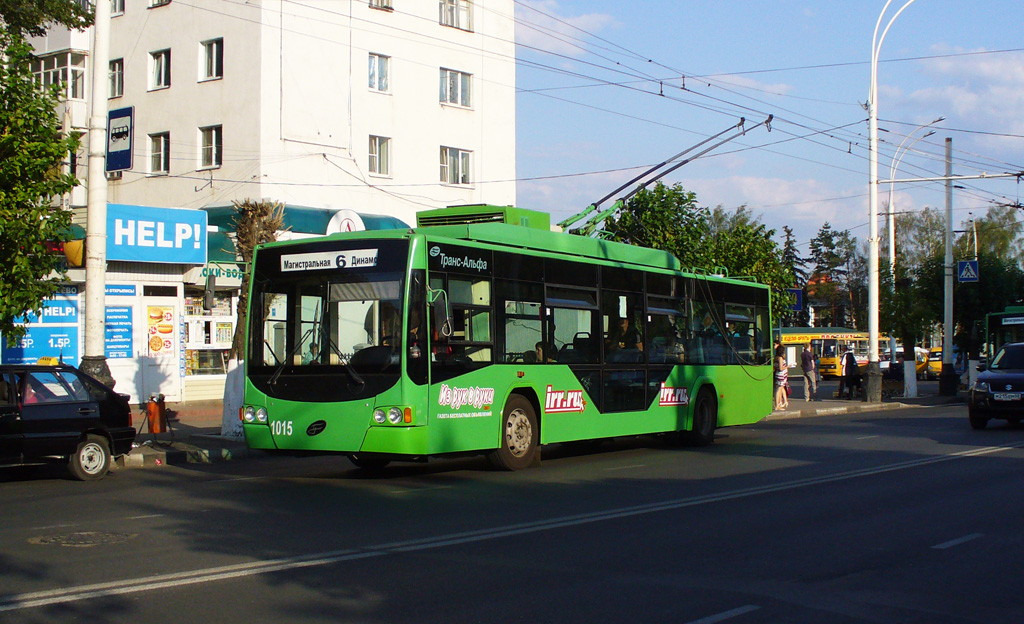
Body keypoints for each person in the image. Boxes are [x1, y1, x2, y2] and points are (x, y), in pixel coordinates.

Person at [773, 344, 789, 410]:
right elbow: (781, 368)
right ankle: (777, 405)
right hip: (781, 375)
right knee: (779, 390)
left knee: (779, 389)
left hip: (780, 375)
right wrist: (788, 366)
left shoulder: (776, 357)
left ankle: (778, 404)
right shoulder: (780, 358)